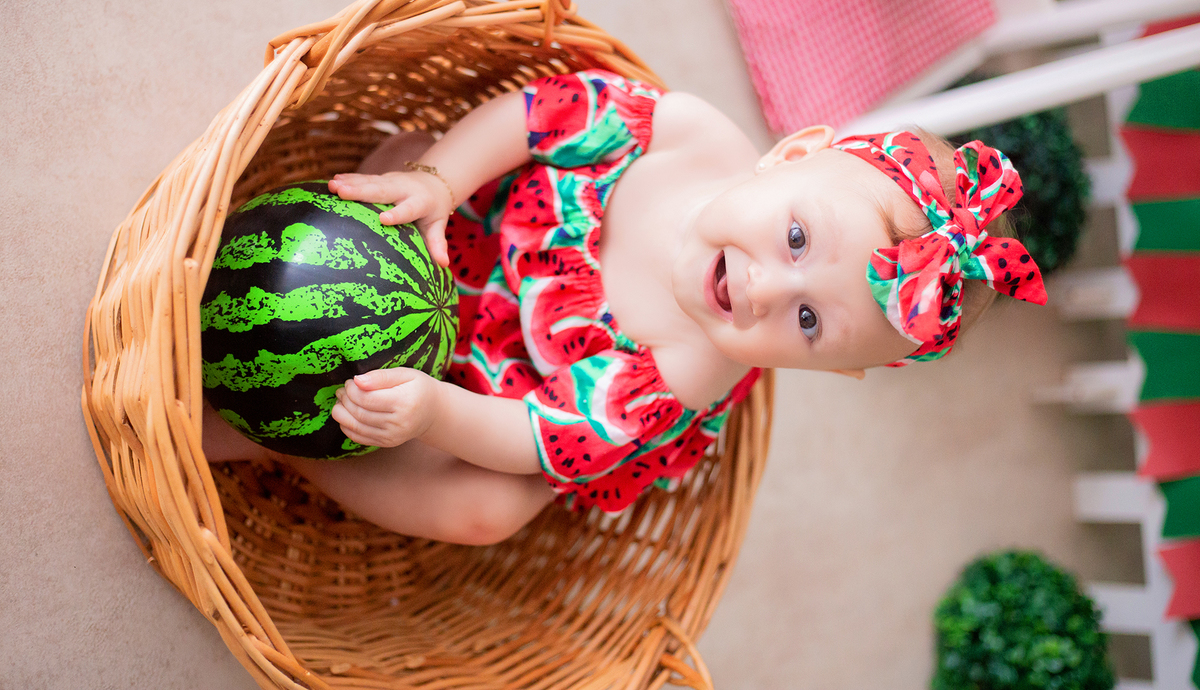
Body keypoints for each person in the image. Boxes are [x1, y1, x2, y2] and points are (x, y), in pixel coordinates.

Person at [203, 69, 1047, 544]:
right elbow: (535, 119)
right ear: (793, 152)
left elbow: (533, 437)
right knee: (408, 152)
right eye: (795, 242)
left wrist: (430, 410)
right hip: (468, 227)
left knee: (485, 512)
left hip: (490, 391)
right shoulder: (684, 135)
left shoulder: (680, 375)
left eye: (808, 323)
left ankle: (302, 442)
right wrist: (441, 182)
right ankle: (352, 246)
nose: (765, 289)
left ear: (836, 368)